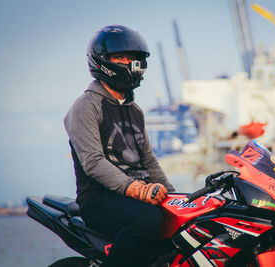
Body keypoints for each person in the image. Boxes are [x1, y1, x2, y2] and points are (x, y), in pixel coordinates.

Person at [64, 24, 175, 267]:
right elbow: (93, 162)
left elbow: (149, 161)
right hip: (100, 200)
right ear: (103, 61)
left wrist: (175, 196)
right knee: (147, 219)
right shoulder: (86, 106)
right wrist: (135, 188)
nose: (127, 63)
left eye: (132, 58)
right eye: (119, 57)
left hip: (138, 198)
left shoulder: (135, 111)